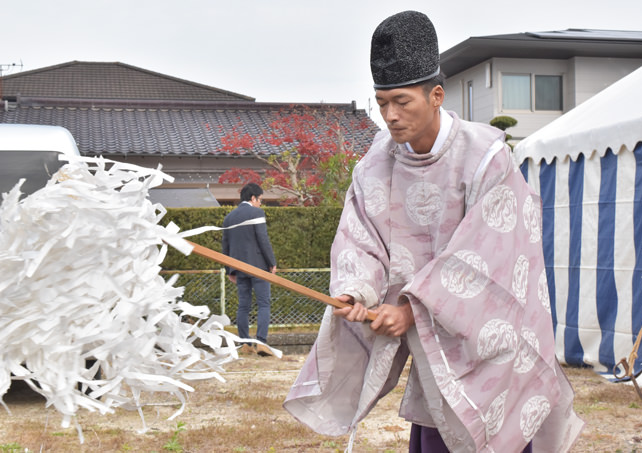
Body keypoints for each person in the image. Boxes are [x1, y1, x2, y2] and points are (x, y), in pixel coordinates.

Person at [284, 10, 583, 452]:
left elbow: (488, 259)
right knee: (437, 432)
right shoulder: (375, 166)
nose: (390, 115)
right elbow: (360, 237)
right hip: (433, 345)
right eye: (381, 102)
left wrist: (411, 310)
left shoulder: (486, 159)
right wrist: (356, 290)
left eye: (402, 101)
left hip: (488, 341)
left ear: (436, 95)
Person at [222, 182, 277, 357]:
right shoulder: (256, 212)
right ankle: (261, 342)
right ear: (253, 198)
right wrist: (272, 262)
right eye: (260, 199)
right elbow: (263, 239)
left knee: (243, 305)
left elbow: (226, 245)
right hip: (258, 266)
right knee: (263, 304)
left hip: (238, 267)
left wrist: (228, 269)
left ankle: (245, 343)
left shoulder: (229, 217)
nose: (261, 203)